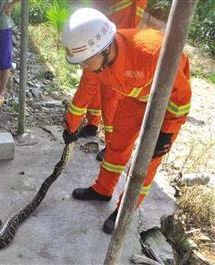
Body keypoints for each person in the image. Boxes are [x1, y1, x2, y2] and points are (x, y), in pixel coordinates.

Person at [61, 8, 191, 234]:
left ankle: (125, 210)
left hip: (165, 103)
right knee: (118, 144)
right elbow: (84, 93)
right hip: (136, 96)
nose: (83, 67)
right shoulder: (95, 60)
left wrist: (167, 133)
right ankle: (103, 190)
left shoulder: (152, 54)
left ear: (104, 49)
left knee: (146, 162)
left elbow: (181, 97)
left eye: (85, 62)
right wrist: (71, 127)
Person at [79, 0, 148, 162]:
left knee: (111, 94)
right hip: (101, 18)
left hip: (118, 33)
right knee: (92, 76)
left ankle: (111, 143)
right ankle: (92, 123)